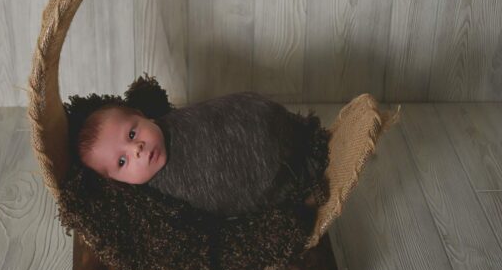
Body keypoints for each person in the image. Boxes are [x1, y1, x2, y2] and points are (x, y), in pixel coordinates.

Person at [71, 84, 330, 216]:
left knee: (279, 134)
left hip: (266, 124)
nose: (137, 149)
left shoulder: (178, 120)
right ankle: (300, 177)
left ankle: (305, 146)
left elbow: (219, 113)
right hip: (267, 178)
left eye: (131, 133)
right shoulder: (157, 202)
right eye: (122, 161)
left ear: (142, 115)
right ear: (116, 182)